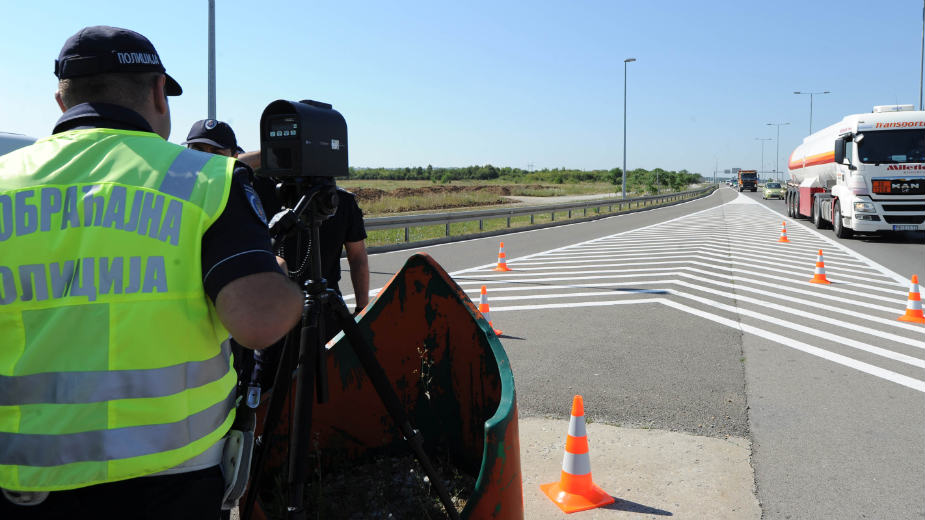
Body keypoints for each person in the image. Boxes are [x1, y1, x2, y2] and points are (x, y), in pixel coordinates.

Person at [0, 26, 303, 519]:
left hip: (21, 479)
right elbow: (258, 322)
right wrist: (289, 283)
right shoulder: (206, 181)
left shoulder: (5, 181)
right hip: (172, 480)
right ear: (159, 92)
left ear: (61, 100)